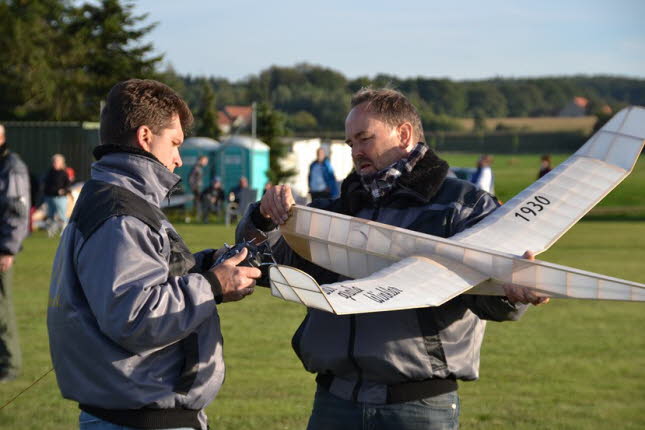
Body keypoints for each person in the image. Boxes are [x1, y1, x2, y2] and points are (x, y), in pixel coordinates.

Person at [236, 88, 548, 430]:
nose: (355, 151)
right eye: (350, 143)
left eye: (364, 138)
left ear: (404, 134)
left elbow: (491, 297)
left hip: (418, 407)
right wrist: (264, 218)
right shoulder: (338, 207)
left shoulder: (463, 205)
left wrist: (513, 290)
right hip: (333, 403)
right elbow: (264, 264)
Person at [47, 79, 261, 430]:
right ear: (145, 137)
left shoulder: (119, 201)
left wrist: (210, 265)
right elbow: (134, 316)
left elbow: (152, 277)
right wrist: (213, 286)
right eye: (174, 143)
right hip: (140, 418)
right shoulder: (121, 213)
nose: (178, 158)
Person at [0, 123, 30, 382]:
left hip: (1, 248)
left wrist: (8, 248)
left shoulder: (12, 166)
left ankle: (9, 365)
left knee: (1, 308)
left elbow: (17, 211)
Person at [42, 153, 71, 235]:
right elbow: (45, 184)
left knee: (62, 216)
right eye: (54, 162)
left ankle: (64, 231)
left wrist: (63, 190)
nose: (55, 163)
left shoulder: (64, 173)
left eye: (57, 162)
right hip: (49, 197)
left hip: (60, 198)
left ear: (61, 163)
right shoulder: (49, 172)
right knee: (50, 216)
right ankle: (51, 232)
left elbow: (68, 185)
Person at [189, 155, 208, 220]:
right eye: (205, 161)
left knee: (201, 202)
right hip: (197, 189)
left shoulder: (199, 167)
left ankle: (200, 217)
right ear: (201, 160)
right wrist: (194, 189)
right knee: (198, 203)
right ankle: (198, 217)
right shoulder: (196, 167)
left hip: (199, 188)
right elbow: (191, 179)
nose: (206, 162)